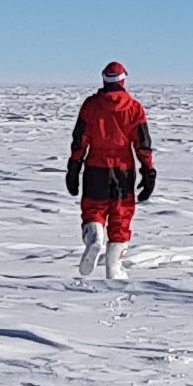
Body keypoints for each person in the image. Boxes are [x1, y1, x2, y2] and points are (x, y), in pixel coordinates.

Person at [63, 61, 156, 280]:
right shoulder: (134, 108)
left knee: (93, 209)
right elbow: (142, 142)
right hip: (123, 171)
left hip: (95, 169)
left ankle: (95, 237)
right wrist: (148, 170)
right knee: (121, 216)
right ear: (123, 80)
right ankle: (114, 267)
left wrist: (74, 166)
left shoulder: (91, 105)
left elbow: (80, 139)